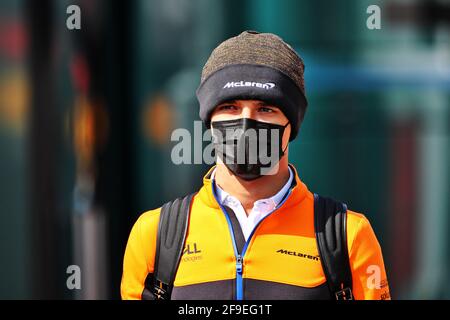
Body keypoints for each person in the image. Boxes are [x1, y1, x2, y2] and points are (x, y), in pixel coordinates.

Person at [121, 30, 390, 300]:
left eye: (265, 109)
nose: (246, 123)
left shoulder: (347, 236)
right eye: (230, 106)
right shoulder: (155, 235)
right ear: (209, 120)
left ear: (292, 125)